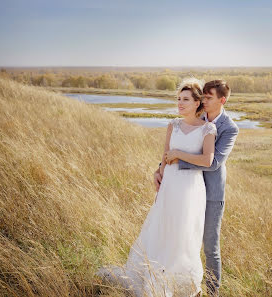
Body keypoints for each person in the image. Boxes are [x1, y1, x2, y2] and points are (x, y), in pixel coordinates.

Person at [95, 77, 217, 297]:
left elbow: (208, 161)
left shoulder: (208, 129)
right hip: (169, 186)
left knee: (185, 233)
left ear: (198, 102)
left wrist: (179, 154)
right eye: (178, 99)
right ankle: (156, 278)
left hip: (191, 190)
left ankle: (182, 284)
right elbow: (164, 157)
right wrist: (158, 175)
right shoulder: (173, 125)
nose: (180, 103)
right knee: (162, 229)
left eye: (186, 99)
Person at [154, 79, 239, 297]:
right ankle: (181, 285)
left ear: (222, 100)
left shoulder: (229, 128)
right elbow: (176, 145)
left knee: (210, 247)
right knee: (180, 239)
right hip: (184, 191)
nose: (204, 100)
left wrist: (178, 162)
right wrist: (161, 169)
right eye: (203, 97)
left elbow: (214, 162)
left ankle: (213, 293)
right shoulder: (196, 118)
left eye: (209, 98)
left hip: (211, 195)